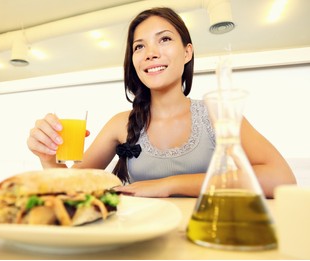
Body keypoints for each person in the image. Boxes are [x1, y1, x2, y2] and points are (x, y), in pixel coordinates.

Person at [27, 7, 296, 198]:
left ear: (187, 52)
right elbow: (71, 186)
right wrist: (49, 159)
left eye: (164, 39)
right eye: (139, 46)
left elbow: (281, 179)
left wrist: (170, 184)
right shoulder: (121, 124)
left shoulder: (217, 113)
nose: (151, 54)